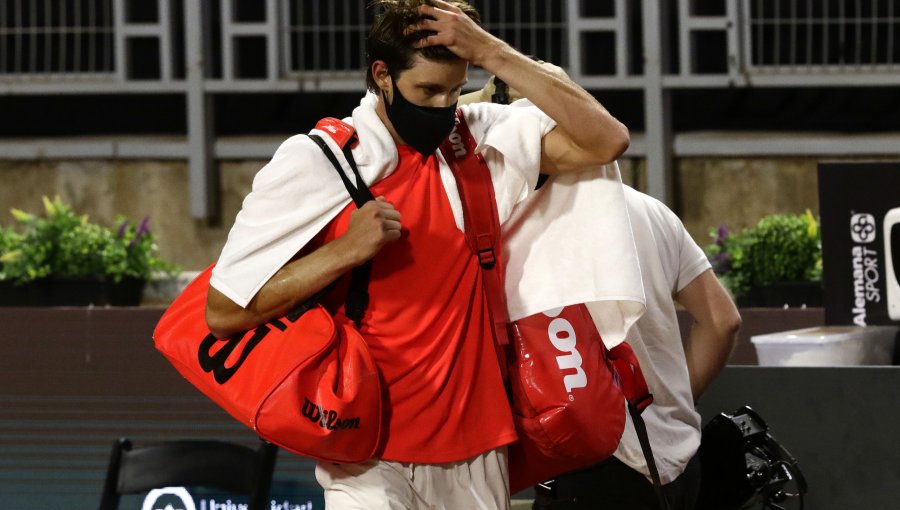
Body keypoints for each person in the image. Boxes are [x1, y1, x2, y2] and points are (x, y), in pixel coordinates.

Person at [203, 1, 636, 508]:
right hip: (367, 456)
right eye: (426, 90)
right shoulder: (319, 160)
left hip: (478, 453)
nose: (442, 106)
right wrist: (346, 250)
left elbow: (607, 140)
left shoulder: (481, 139)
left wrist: (491, 52)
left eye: (454, 90)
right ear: (382, 76)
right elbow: (224, 310)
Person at [461, 74, 741, 510]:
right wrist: (672, 401)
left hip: (591, 459)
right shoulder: (650, 209)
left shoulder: (513, 227)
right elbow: (723, 322)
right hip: (683, 461)